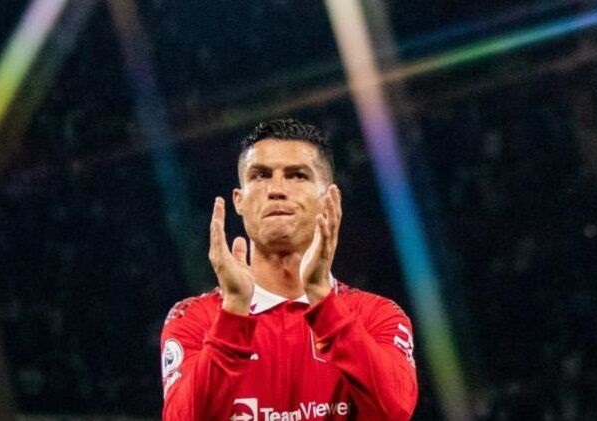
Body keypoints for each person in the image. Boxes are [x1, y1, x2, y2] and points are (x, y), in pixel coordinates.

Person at [160, 118, 418, 420]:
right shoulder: (194, 319)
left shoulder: (376, 316)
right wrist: (234, 312)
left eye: (297, 175)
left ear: (329, 199)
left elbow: (393, 412)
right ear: (239, 201)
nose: (276, 189)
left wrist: (322, 298)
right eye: (260, 175)